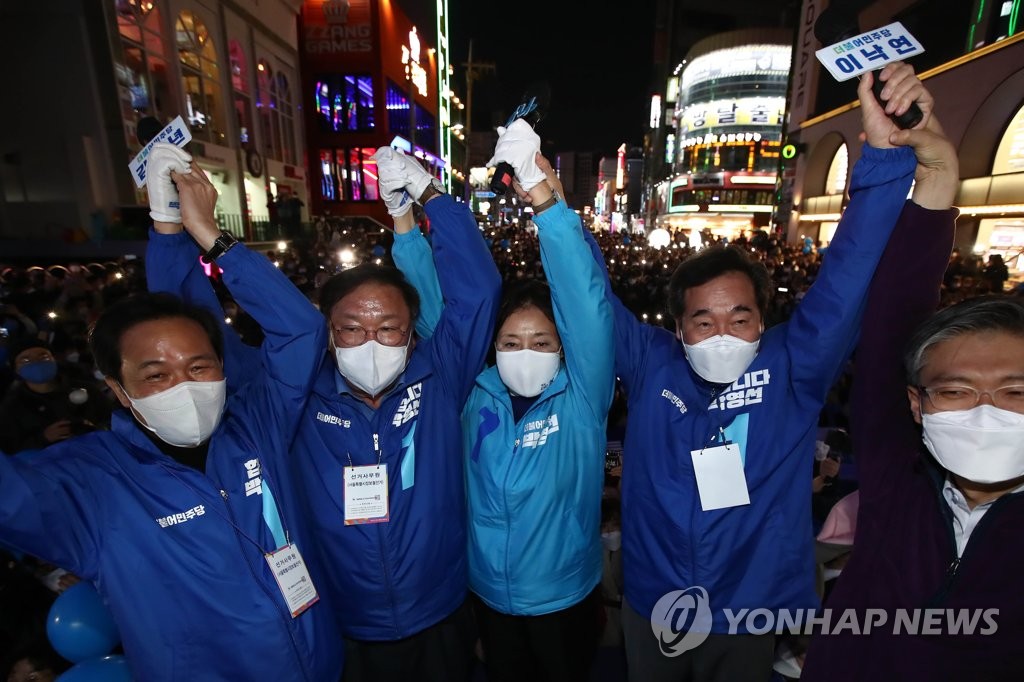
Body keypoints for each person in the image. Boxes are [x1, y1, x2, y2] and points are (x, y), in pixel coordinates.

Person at [598, 62, 931, 681]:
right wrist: (550, 210)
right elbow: (591, 297)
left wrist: (883, 163)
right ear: (678, 327)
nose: (722, 332)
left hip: (745, 606)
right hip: (655, 598)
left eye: (740, 317)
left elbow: (846, 280)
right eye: (704, 320)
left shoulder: (794, 364)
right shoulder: (650, 365)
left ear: (764, 320)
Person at [147, 145, 502, 682]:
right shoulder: (289, 395)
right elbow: (197, 331)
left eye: (389, 329)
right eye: (351, 329)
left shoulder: (440, 375)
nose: (372, 342)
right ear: (328, 333)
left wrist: (433, 196)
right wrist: (171, 231)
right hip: (341, 619)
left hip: (440, 612)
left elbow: (478, 292)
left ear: (412, 334)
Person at [0, 144, 343, 681]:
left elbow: (301, 329)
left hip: (318, 665)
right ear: (118, 387)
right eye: (156, 375)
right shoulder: (91, 485)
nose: (183, 385)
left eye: (200, 367)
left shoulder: (257, 425)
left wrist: (197, 233)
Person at [801, 94, 1023, 679]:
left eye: (1014, 392)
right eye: (955, 391)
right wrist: (936, 177)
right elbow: (890, 325)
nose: (985, 411)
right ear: (917, 406)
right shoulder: (896, 483)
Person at [390, 128, 615, 681]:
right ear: (492, 348)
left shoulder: (583, 395)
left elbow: (585, 302)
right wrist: (404, 223)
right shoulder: (474, 390)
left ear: (564, 349)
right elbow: (437, 315)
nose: (526, 353)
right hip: (487, 594)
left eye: (541, 343)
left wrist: (543, 200)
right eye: (512, 343)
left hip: (564, 598)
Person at [0, 336, 113, 454]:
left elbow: (113, 420)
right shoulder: (12, 406)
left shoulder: (87, 390)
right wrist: (43, 438)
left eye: (43, 356)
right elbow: (9, 448)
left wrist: (94, 430)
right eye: (26, 360)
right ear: (16, 369)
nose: (36, 362)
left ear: (54, 359)